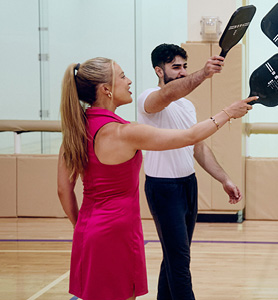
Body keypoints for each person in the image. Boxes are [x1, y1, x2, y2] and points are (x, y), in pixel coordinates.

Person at [56, 57, 253, 300]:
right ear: (105, 89)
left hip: (89, 231)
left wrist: (82, 227)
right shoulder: (124, 132)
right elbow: (190, 137)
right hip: (117, 232)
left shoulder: (76, 129)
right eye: (122, 76)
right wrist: (228, 113)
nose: (129, 81)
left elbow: (63, 190)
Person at [136, 43, 244, 300]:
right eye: (176, 67)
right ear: (158, 71)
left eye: (185, 66)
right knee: (180, 261)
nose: (182, 72)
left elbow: (199, 148)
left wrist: (224, 178)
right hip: (163, 189)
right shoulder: (148, 99)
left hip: (187, 186)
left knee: (174, 257)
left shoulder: (187, 107)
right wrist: (204, 74)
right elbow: (169, 95)